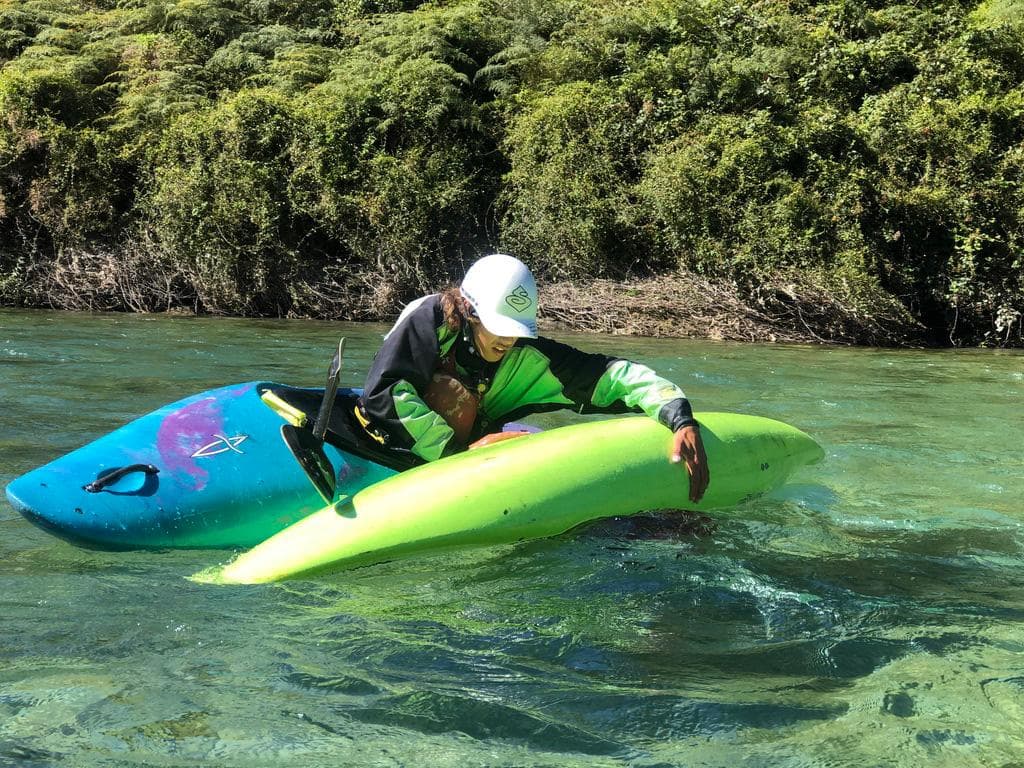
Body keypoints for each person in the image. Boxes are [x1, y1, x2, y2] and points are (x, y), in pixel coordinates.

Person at [357, 254, 710, 502]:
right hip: (405, 443)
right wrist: (456, 455)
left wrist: (678, 415)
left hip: (471, 452)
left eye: (515, 332)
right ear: (469, 311)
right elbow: (385, 391)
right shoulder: (429, 319)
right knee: (448, 392)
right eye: (499, 329)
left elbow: (610, 376)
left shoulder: (526, 353)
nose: (508, 340)